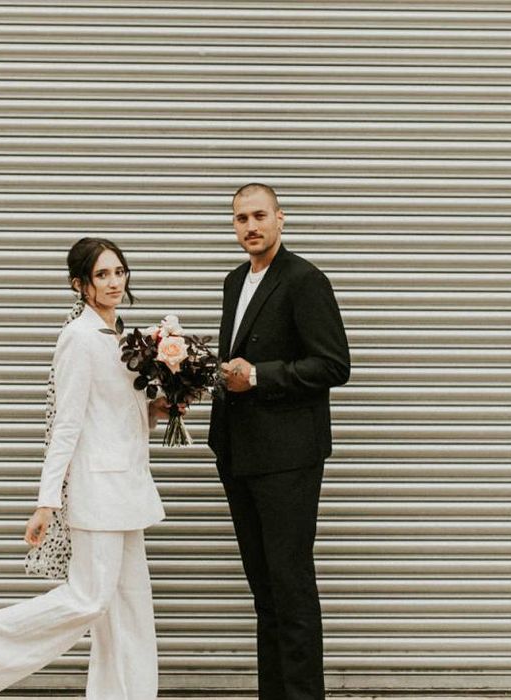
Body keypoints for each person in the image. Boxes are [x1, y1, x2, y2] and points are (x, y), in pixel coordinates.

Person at [0, 238, 173, 699]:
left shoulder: (121, 336)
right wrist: (45, 502)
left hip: (129, 489)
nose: (115, 282)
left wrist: (162, 408)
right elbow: (66, 427)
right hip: (98, 492)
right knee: (89, 599)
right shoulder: (77, 339)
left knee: (130, 611)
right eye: (102, 275)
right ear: (80, 285)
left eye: (119, 272)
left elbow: (120, 417)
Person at [208, 184, 350, 700]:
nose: (251, 226)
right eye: (241, 218)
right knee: (264, 593)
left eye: (260, 215)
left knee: (290, 589)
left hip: (289, 458)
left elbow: (335, 365)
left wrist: (261, 376)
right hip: (239, 454)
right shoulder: (233, 281)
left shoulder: (305, 281)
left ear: (280, 219)